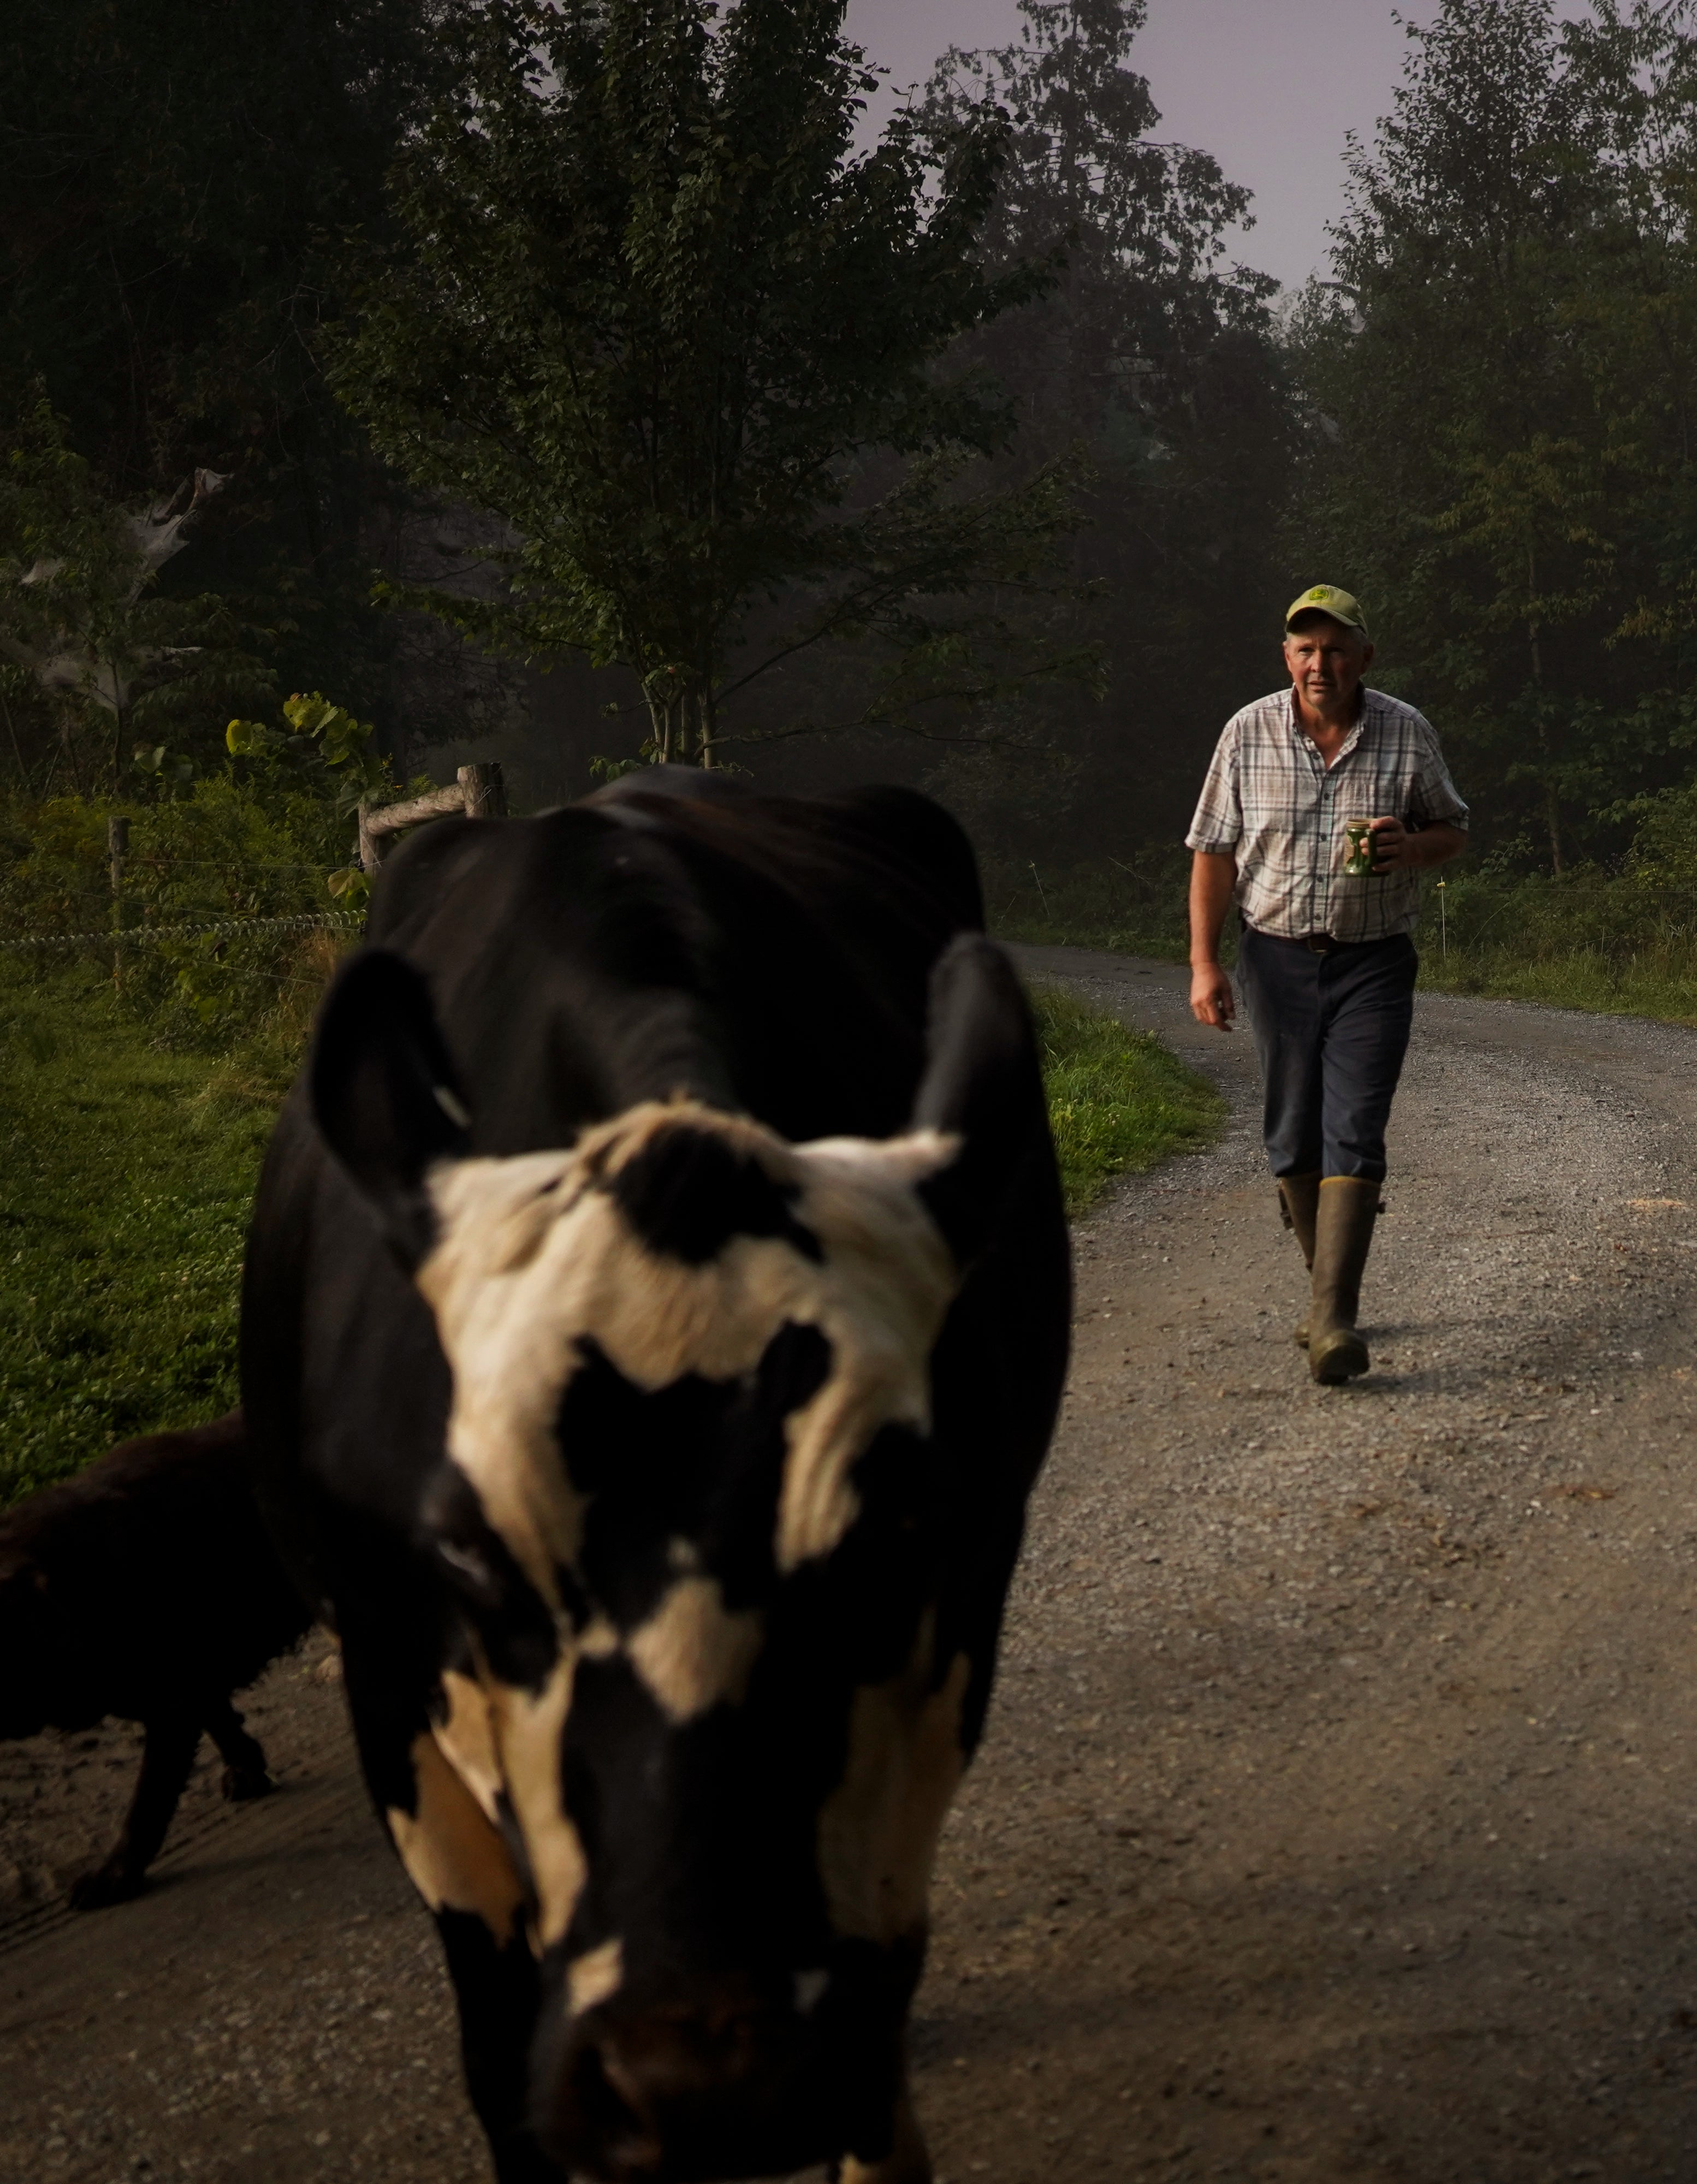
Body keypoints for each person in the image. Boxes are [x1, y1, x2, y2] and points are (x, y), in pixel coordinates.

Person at [1185, 585, 1468, 1383]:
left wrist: (1411, 847)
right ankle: (1325, 1300)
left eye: (1336, 649)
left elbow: (1455, 827)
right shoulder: (1247, 732)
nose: (1321, 664)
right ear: (1287, 658)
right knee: (1292, 1132)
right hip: (1274, 958)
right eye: (1306, 649)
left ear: (1364, 659)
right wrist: (1206, 965)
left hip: (1373, 961)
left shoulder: (1406, 731)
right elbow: (1213, 853)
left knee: (1356, 1125)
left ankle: (1335, 1317)